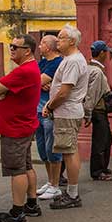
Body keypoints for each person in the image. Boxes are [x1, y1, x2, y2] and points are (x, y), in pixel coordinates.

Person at [0, 34, 43, 222]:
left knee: (17, 170)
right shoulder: (29, 69)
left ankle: (17, 211)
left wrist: (1, 94)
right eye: (10, 46)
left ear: (27, 50)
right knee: (26, 165)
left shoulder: (24, 71)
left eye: (15, 47)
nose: (11, 50)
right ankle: (31, 204)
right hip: (22, 124)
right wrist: (1, 93)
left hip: (15, 127)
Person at [42, 25, 89, 210]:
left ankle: (72, 193)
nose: (57, 40)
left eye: (61, 37)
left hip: (67, 111)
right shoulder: (70, 59)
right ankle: (72, 191)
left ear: (72, 41)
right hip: (66, 111)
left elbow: (64, 92)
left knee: (69, 152)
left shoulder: (73, 61)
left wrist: (50, 105)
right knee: (70, 150)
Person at [34, 34, 64, 200]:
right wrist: (40, 82)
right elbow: (35, 80)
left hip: (50, 111)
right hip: (37, 110)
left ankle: (55, 184)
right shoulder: (43, 63)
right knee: (42, 149)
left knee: (52, 149)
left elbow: (37, 81)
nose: (39, 46)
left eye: (42, 43)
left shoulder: (57, 63)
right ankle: (50, 181)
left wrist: (41, 83)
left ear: (49, 46)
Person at [87, 40, 112, 181]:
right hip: (98, 110)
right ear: (102, 53)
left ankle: (103, 167)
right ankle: (97, 171)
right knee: (100, 141)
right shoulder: (97, 72)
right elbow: (92, 95)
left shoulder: (91, 68)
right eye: (106, 52)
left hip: (98, 109)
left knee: (107, 139)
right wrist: (88, 113)